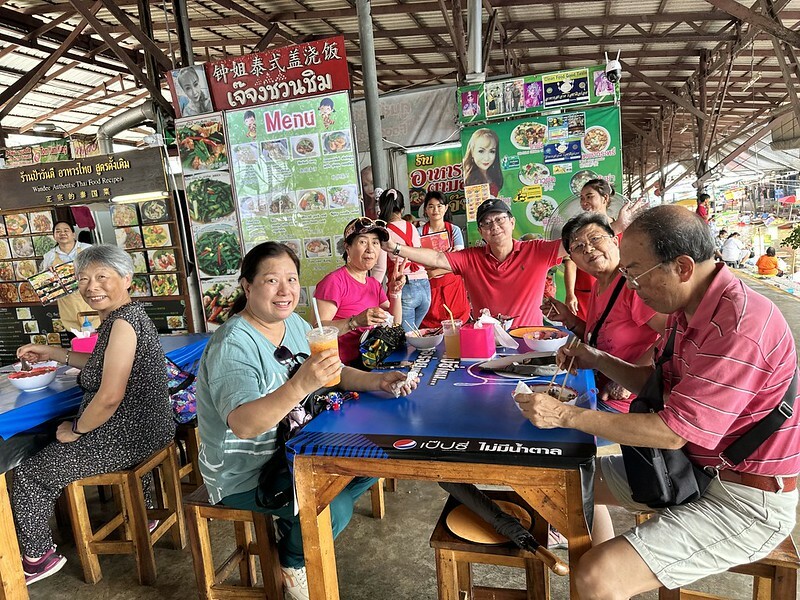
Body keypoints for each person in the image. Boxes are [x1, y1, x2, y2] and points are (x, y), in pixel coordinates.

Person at [516, 205, 799, 599]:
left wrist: (564, 413)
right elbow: (657, 383)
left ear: (682, 266)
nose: (631, 286)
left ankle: (609, 579)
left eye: (636, 274)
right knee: (570, 482)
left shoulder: (738, 326)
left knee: (597, 576)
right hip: (692, 470)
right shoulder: (690, 308)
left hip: (746, 498)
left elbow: (671, 433)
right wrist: (597, 359)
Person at [195, 242, 418, 600]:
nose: (285, 290)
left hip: (299, 449)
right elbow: (244, 425)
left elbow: (333, 373)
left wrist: (376, 379)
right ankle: (293, 560)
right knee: (333, 505)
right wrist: (301, 383)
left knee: (374, 460)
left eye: (292, 279)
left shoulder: (296, 323)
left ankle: (295, 524)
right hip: (247, 471)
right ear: (247, 287)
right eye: (271, 280)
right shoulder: (232, 346)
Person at [14, 245, 174, 585]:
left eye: (102, 277)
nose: (91, 287)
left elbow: (110, 396)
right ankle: (143, 512)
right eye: (83, 279)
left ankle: (38, 557)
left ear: (126, 279)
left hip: (127, 435)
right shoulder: (125, 317)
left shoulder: (123, 324)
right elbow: (101, 367)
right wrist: (53, 352)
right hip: (150, 429)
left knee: (29, 476)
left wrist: (77, 429)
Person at [543, 212, 666, 410]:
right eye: (578, 247)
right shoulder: (598, 287)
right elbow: (599, 340)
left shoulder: (633, 285)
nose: (589, 249)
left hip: (627, 401)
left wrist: (631, 377)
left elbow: (675, 334)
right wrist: (569, 319)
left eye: (595, 238)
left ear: (615, 241)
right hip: (596, 387)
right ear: (572, 259)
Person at [383, 198, 566, 327]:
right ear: (480, 231)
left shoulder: (536, 250)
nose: (494, 226)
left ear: (512, 221)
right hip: (487, 344)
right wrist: (395, 247)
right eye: (486, 223)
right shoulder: (472, 258)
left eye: (499, 219)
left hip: (529, 341)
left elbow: (571, 245)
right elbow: (437, 258)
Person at [314, 218, 405, 367]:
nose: (370, 249)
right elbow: (318, 331)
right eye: (363, 242)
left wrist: (395, 293)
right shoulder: (334, 282)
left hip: (371, 361)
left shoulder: (373, 284)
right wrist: (354, 322)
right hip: (342, 369)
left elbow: (395, 323)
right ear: (347, 248)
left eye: (375, 243)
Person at [563, 179, 628, 320]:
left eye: (589, 196)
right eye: (581, 198)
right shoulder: (577, 231)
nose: (584, 201)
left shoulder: (623, 228)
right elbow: (570, 264)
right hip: (585, 292)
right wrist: (570, 294)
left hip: (618, 291)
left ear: (605, 198)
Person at [372, 189, 431, 332]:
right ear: (402, 209)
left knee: (403, 338)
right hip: (425, 287)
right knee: (413, 334)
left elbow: (380, 269)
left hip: (404, 288)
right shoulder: (411, 226)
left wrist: (369, 289)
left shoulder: (384, 232)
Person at [418, 191, 471, 329]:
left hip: (453, 286)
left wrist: (434, 272)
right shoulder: (418, 232)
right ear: (425, 209)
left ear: (446, 208)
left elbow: (459, 262)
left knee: (457, 325)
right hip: (429, 287)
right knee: (431, 326)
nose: (435, 210)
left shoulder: (454, 230)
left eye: (439, 206)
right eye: (431, 206)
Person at [40, 221, 98, 333]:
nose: (62, 233)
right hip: (68, 306)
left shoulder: (89, 250)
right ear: (54, 236)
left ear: (73, 234)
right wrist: (48, 276)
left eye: (66, 230)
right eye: (58, 231)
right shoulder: (49, 256)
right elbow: (45, 286)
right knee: (77, 345)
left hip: (91, 298)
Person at [463, 129, 503, 196]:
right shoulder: (468, 179)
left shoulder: (493, 174)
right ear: (472, 152)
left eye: (492, 151)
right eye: (481, 151)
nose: (486, 158)